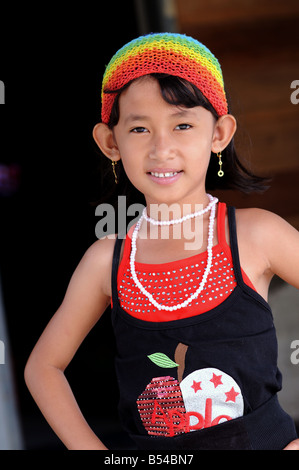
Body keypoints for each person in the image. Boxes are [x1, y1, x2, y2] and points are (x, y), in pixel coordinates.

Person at [25, 33, 299, 450]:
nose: (162, 148)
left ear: (219, 134)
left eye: (183, 124)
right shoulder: (107, 261)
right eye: (139, 128)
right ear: (110, 143)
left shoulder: (256, 234)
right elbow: (43, 367)